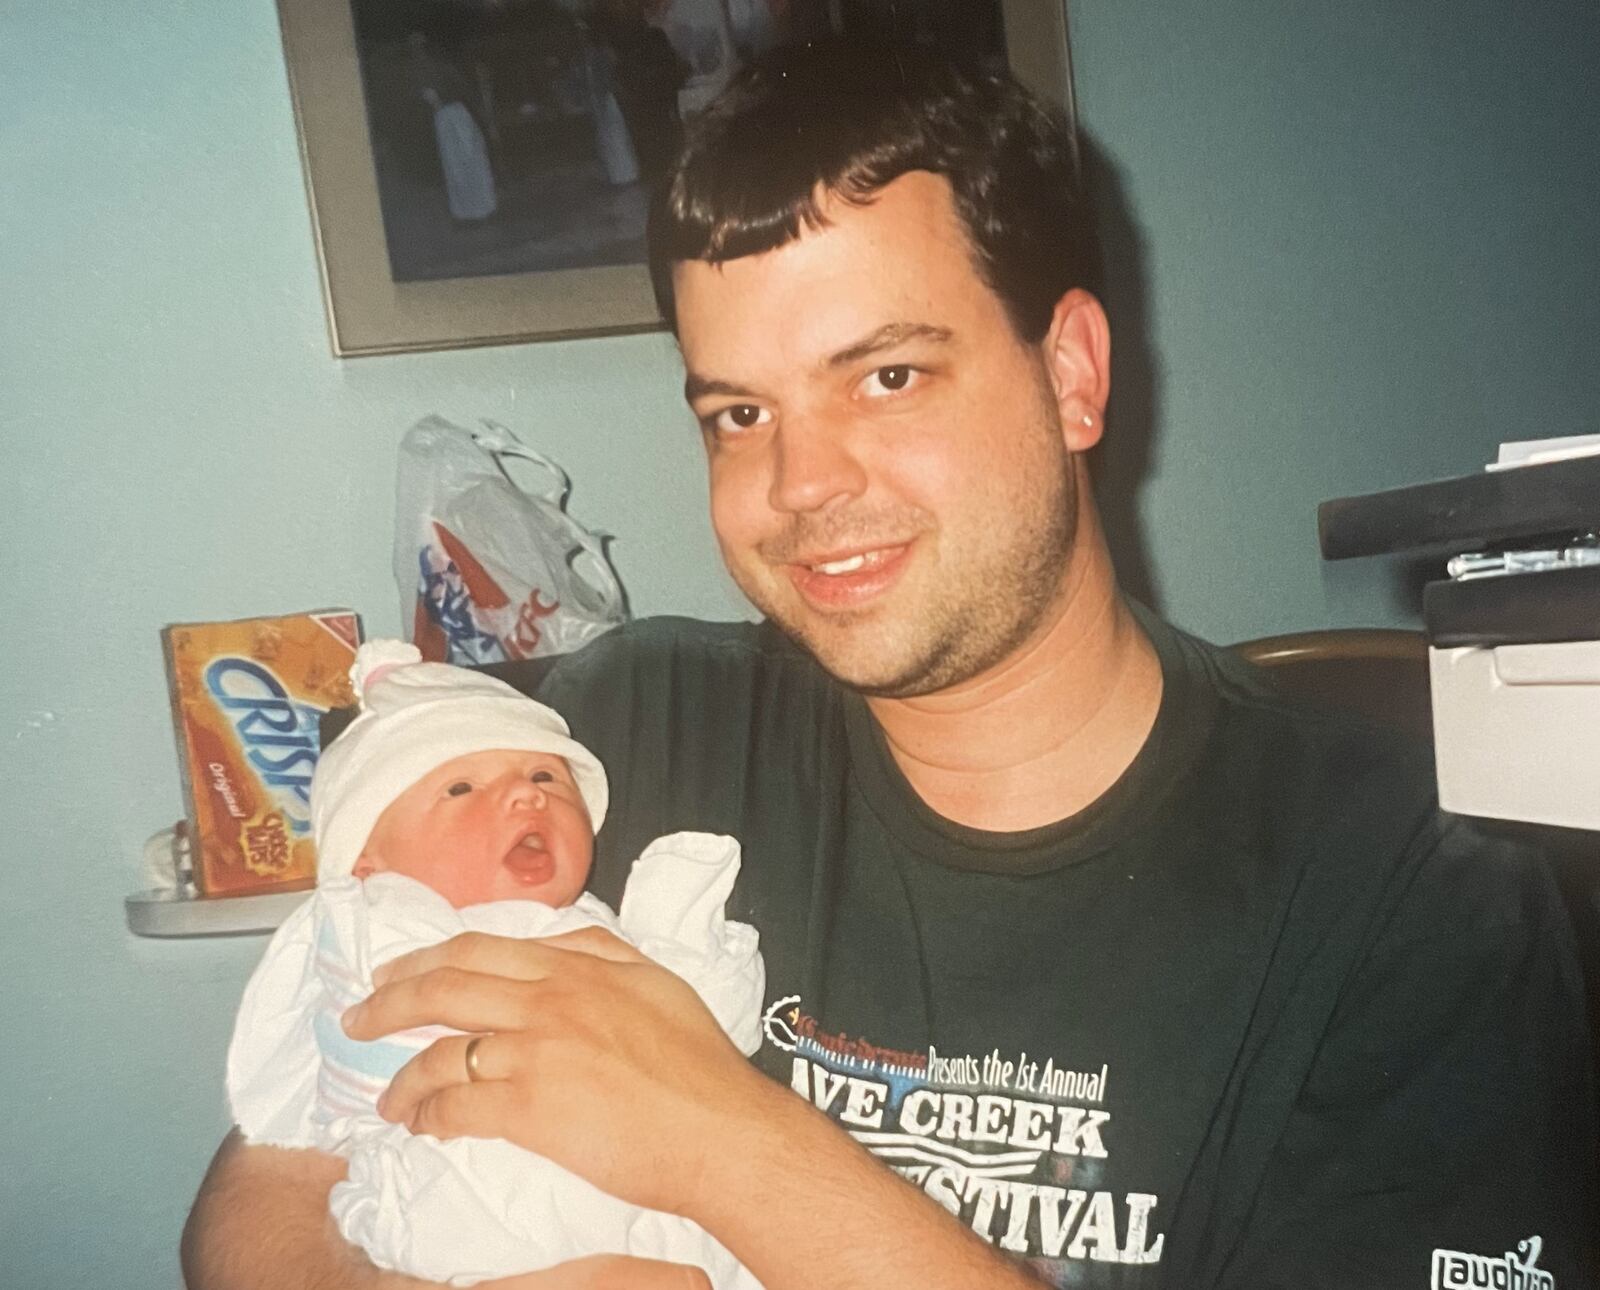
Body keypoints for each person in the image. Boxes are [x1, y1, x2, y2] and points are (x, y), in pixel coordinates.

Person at [183, 41, 1597, 1290]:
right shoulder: (611, 739)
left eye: (889, 376)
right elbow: (269, 1180)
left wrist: (729, 1145)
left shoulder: (1414, 887)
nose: (799, 482)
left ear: (1074, 375)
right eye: (739, 410)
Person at [223, 640, 761, 1288]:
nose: (526, 799)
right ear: (368, 861)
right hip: (468, 1196)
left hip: (650, 1203)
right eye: (460, 787)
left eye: (545, 777)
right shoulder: (382, 926)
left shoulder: (599, 923)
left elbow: (715, 1045)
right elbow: (359, 1073)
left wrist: (687, 940)